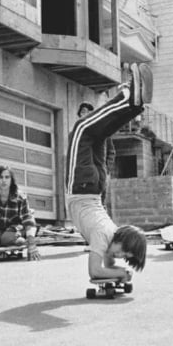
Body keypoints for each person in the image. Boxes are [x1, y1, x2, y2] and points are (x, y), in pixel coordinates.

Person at [66, 64, 150, 282]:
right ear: (121, 238)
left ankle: (135, 106)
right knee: (82, 129)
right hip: (81, 187)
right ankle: (127, 98)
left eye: (125, 257)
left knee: (99, 132)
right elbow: (95, 271)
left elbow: (105, 263)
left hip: (94, 187)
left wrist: (117, 271)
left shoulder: (109, 234)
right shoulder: (104, 236)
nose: (120, 257)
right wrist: (122, 273)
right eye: (124, 252)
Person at [77, 102, 116, 203]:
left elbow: (111, 152)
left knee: (100, 202)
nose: (85, 114)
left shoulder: (102, 132)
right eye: (83, 112)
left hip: (99, 172)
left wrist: (107, 169)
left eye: (88, 112)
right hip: (83, 174)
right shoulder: (75, 134)